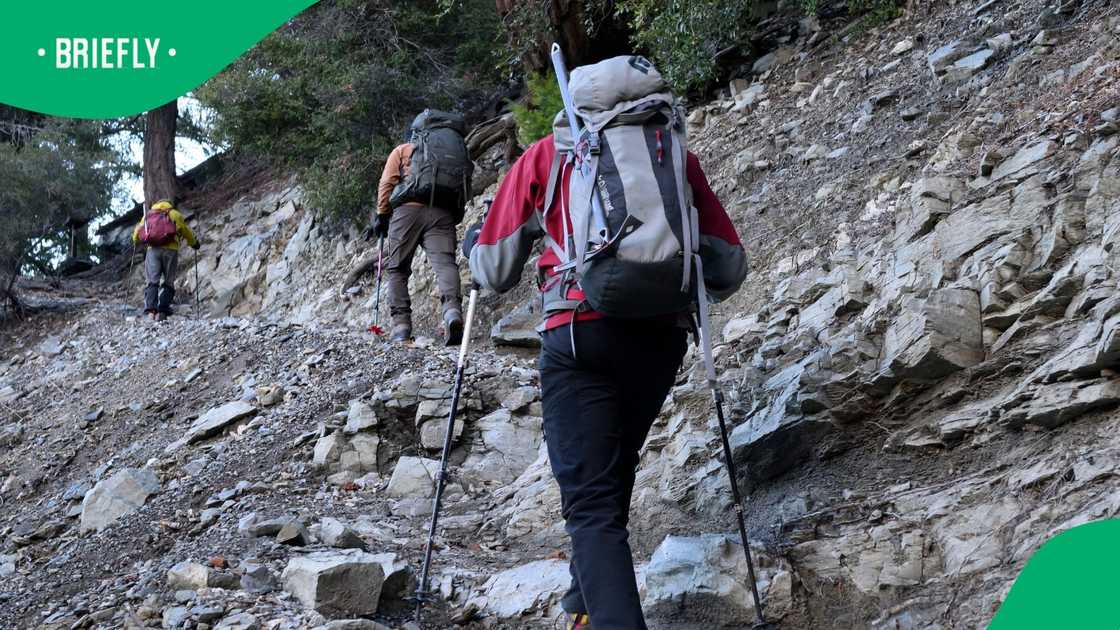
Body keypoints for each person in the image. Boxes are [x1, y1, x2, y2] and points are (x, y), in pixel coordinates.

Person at [465, 92, 747, 630]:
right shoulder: (672, 155)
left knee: (591, 503)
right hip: (661, 340)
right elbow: (729, 269)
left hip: (580, 334)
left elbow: (494, 270)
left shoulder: (549, 153)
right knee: (611, 473)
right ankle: (585, 610)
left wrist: (475, 244)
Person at [374, 110, 473, 345]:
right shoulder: (453, 151)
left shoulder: (404, 150)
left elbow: (387, 183)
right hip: (442, 212)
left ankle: (401, 327)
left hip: (407, 213)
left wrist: (381, 215)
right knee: (445, 264)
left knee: (397, 269)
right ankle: (452, 312)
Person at [131, 199, 199, 321]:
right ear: (170, 204)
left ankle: (151, 311)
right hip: (171, 251)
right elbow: (185, 231)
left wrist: (135, 240)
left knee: (152, 281)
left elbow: (137, 232)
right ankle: (162, 311)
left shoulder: (148, 215)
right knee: (168, 281)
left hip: (153, 251)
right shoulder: (175, 214)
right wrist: (194, 243)